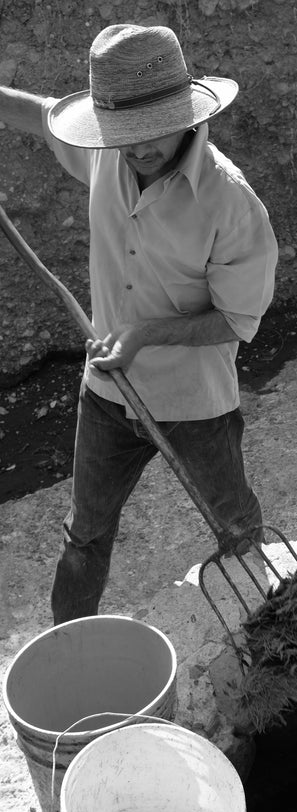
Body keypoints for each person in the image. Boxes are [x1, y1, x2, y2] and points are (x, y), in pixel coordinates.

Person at [0, 24, 278, 625]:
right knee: (85, 534)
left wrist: (148, 334)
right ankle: (73, 653)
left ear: (185, 112)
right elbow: (37, 113)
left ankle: (275, 635)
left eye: (151, 133)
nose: (136, 149)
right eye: (121, 136)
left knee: (234, 524)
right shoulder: (105, 151)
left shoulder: (229, 203)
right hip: (105, 394)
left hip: (194, 404)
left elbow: (237, 319)